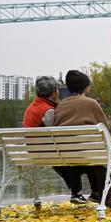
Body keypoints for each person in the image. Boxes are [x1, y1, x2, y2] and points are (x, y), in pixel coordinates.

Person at [54, 70, 111, 209]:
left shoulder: (60, 105)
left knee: (97, 158)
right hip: (91, 155)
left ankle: (106, 198)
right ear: (86, 87)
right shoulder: (91, 103)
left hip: (66, 159)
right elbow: (105, 129)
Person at [22, 75, 88, 204]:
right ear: (53, 92)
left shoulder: (32, 106)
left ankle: (77, 192)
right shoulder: (48, 110)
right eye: (57, 90)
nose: (58, 92)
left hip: (33, 150)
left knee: (65, 160)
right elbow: (56, 134)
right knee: (73, 157)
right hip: (46, 151)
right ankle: (78, 192)